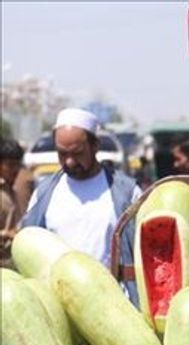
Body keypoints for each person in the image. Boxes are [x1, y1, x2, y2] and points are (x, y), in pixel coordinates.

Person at [21, 108, 141, 300]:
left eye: (77, 153)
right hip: (60, 304)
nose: (69, 161)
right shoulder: (43, 196)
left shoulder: (126, 193)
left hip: (115, 305)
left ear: (95, 146)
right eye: (62, 153)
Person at [1, 138, 33, 268]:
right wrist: (6, 234)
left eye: (17, 165)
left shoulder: (11, 190)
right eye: (10, 165)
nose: (15, 170)